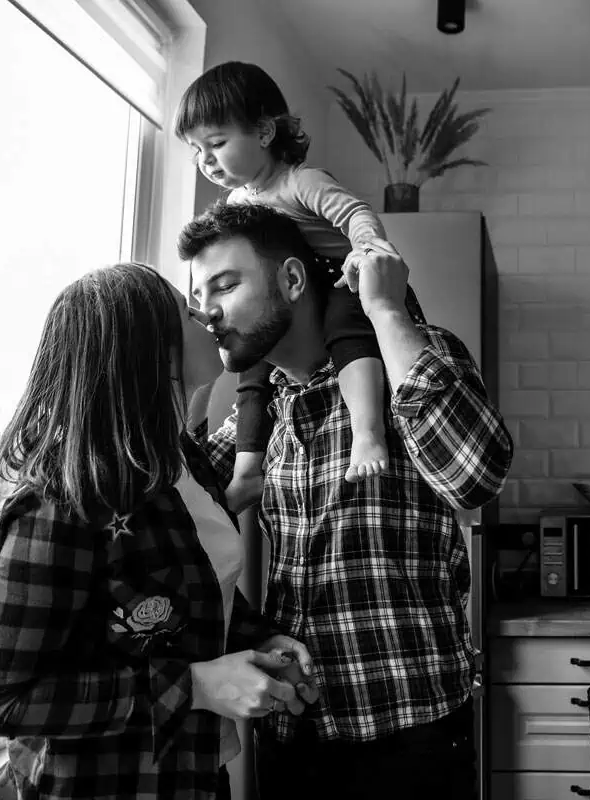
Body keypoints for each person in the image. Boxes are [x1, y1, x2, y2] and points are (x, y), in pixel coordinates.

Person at [181, 202, 514, 799]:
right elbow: (170, 510)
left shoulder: (408, 359)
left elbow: (474, 477)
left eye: (226, 285)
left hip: (411, 734)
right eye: (198, 296)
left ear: (290, 279)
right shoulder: (260, 412)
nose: (208, 311)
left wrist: (384, 308)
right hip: (293, 733)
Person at [0, 262, 319, 800]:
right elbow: (4, 700)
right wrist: (197, 685)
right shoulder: (63, 503)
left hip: (192, 776)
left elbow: (194, 591)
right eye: (186, 309)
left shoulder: (184, 462)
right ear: (152, 352)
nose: (205, 313)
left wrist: (258, 639)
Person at [174, 60, 423, 505]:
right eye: (196, 150)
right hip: (286, 303)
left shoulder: (300, 181)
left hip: (338, 283)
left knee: (352, 342)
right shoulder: (236, 201)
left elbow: (356, 214)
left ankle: (367, 431)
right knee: (252, 374)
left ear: (265, 133)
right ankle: (248, 470)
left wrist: (365, 253)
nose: (205, 160)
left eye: (216, 143)